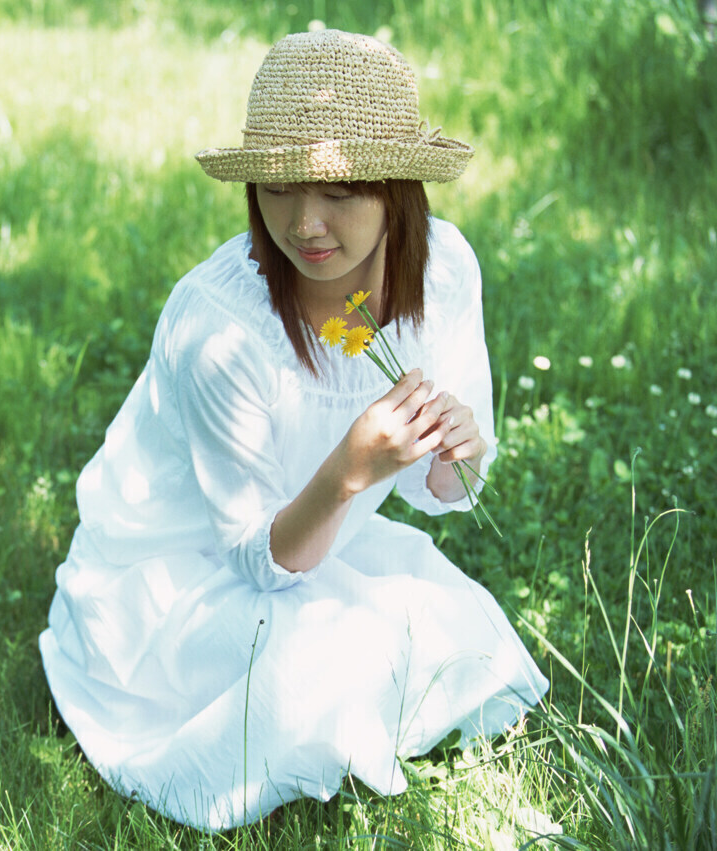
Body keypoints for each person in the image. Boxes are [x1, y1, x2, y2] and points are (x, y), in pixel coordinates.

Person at [38, 29, 549, 832]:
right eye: (278, 189)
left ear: (396, 191)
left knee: (459, 632)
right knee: (317, 673)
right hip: (192, 571)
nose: (305, 223)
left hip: (322, 543)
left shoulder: (444, 271)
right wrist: (348, 470)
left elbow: (442, 490)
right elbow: (257, 559)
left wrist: (462, 446)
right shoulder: (221, 329)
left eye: (339, 192)